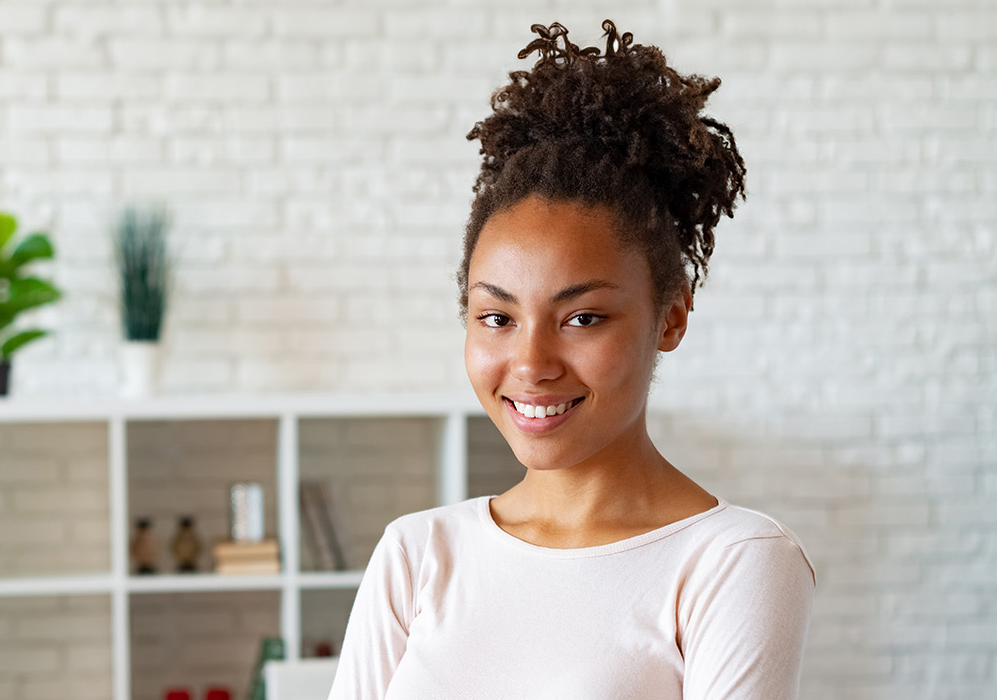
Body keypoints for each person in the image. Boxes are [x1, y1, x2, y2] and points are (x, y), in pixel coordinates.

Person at [327, 19, 816, 700]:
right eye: (497, 317)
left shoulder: (730, 561)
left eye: (582, 318)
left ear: (670, 316)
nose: (531, 362)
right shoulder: (416, 555)